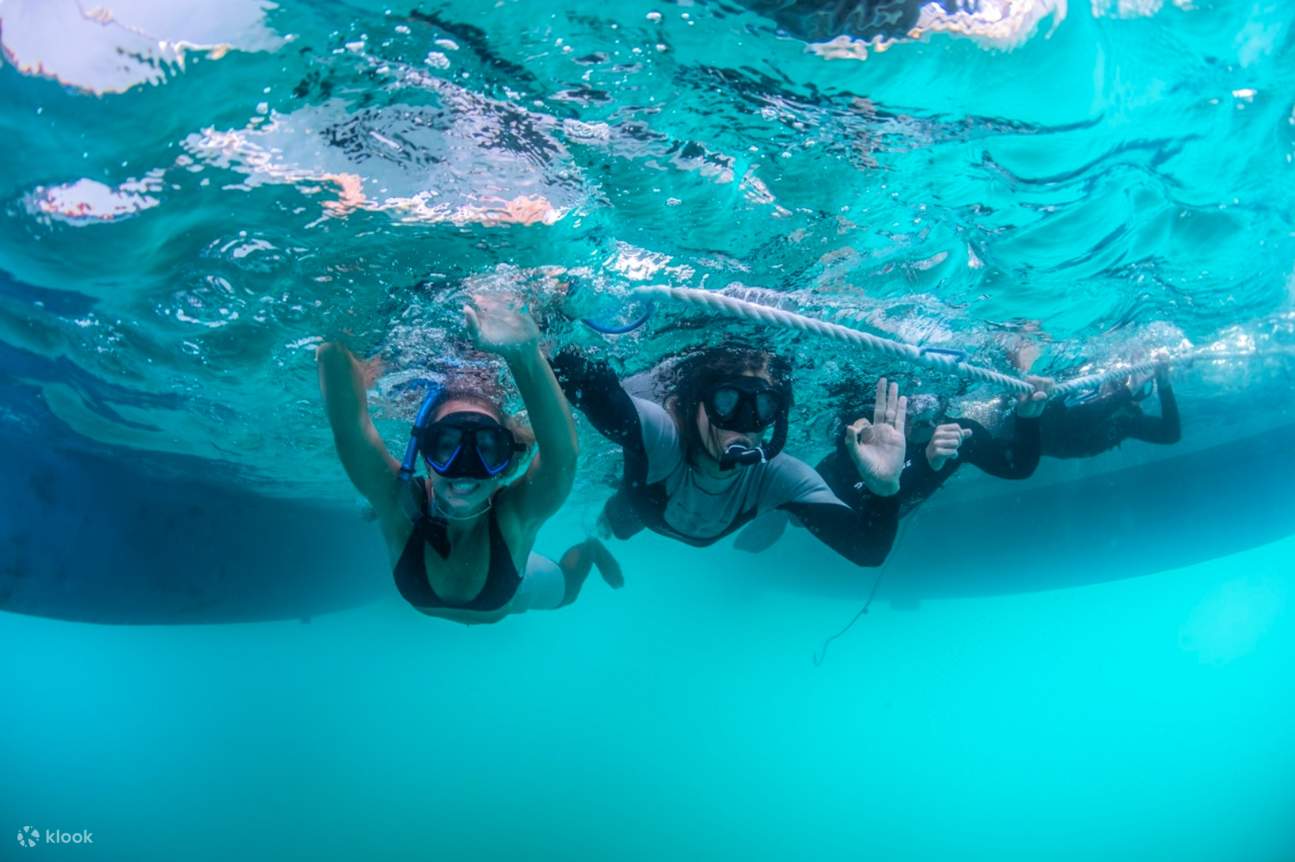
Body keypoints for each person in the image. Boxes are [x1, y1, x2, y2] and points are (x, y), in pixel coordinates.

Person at [317, 294, 620, 625]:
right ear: (424, 453)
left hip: (510, 596)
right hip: (497, 596)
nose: (465, 467)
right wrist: (338, 328)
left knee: (568, 590)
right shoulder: (398, 502)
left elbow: (562, 456)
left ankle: (590, 549)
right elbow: (350, 428)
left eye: (487, 448)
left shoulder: (515, 514)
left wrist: (525, 355)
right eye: (446, 446)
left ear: (506, 459)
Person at [551, 344, 909, 567]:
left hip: (684, 518)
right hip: (641, 504)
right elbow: (591, 388)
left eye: (763, 407)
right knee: (617, 525)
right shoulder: (662, 434)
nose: (745, 423)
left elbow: (867, 550)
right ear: (694, 406)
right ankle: (594, 541)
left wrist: (885, 487)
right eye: (727, 402)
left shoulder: (777, 476)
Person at [734, 378, 1050, 553]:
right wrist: (927, 465)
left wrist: (1028, 419)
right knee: (798, 518)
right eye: (904, 410)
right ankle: (777, 515)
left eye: (920, 408)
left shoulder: (954, 434)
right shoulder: (848, 461)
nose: (913, 419)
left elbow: (1016, 468)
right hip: (843, 500)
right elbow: (860, 528)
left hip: (891, 506)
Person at [1040, 362, 1180, 459]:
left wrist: (1164, 384)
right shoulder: (1079, 394)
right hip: (1036, 434)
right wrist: (1128, 391)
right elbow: (1077, 419)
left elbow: (1170, 434)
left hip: (1040, 443)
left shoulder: (1123, 423)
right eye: (1114, 383)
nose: (1106, 388)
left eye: (1116, 385)